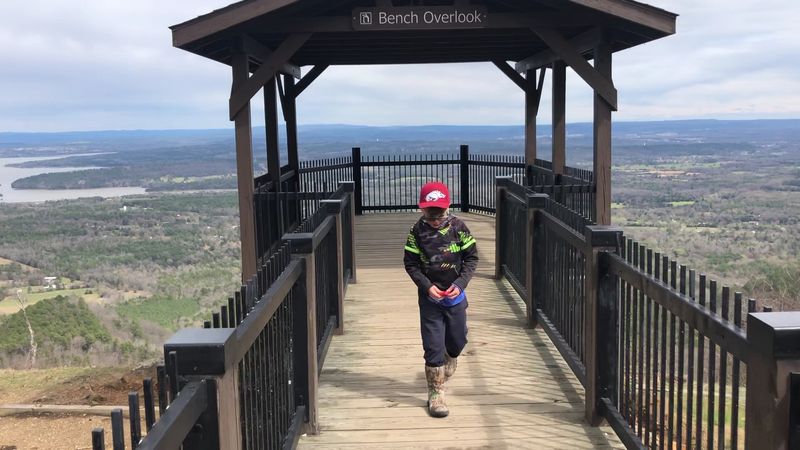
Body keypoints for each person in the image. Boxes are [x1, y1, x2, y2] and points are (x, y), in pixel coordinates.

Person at [403, 181, 478, 418]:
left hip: (455, 296)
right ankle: (436, 394)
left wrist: (460, 284)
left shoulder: (459, 228)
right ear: (421, 209)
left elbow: (472, 258)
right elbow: (411, 263)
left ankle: (451, 356)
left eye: (439, 214)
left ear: (448, 208)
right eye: (430, 214)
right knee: (433, 344)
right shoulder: (416, 232)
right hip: (430, 299)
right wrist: (426, 286)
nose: (435, 220)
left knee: (456, 340)